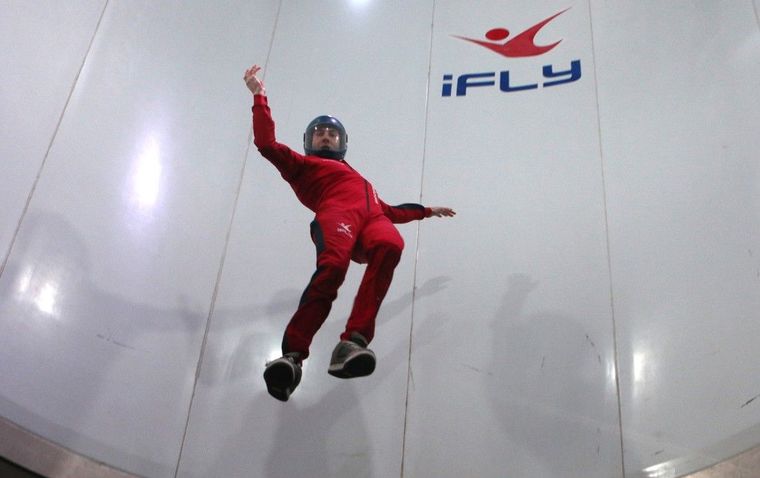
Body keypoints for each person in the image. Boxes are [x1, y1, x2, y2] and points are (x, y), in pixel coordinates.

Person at [244, 65, 455, 401]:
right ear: (309, 142)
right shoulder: (303, 167)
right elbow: (266, 143)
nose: (326, 137)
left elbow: (392, 211)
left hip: (372, 218)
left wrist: (427, 211)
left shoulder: (361, 181)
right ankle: (292, 356)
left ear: (342, 143)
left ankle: (353, 342)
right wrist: (259, 97)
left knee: (391, 243)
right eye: (319, 133)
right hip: (337, 217)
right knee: (334, 268)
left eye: (333, 134)